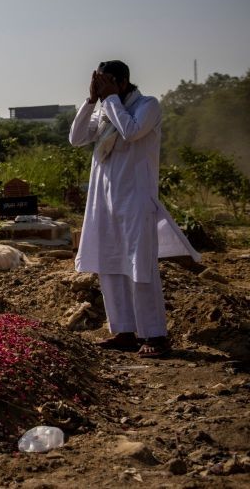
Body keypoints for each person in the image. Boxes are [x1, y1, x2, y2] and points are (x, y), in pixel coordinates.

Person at [69, 60, 200, 358]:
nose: (100, 88)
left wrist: (111, 98)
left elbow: (131, 131)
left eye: (104, 82)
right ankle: (124, 331)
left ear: (121, 82)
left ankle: (154, 334)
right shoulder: (104, 108)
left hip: (136, 201)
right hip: (104, 202)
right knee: (109, 264)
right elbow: (76, 138)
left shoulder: (147, 106)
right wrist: (91, 101)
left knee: (140, 266)